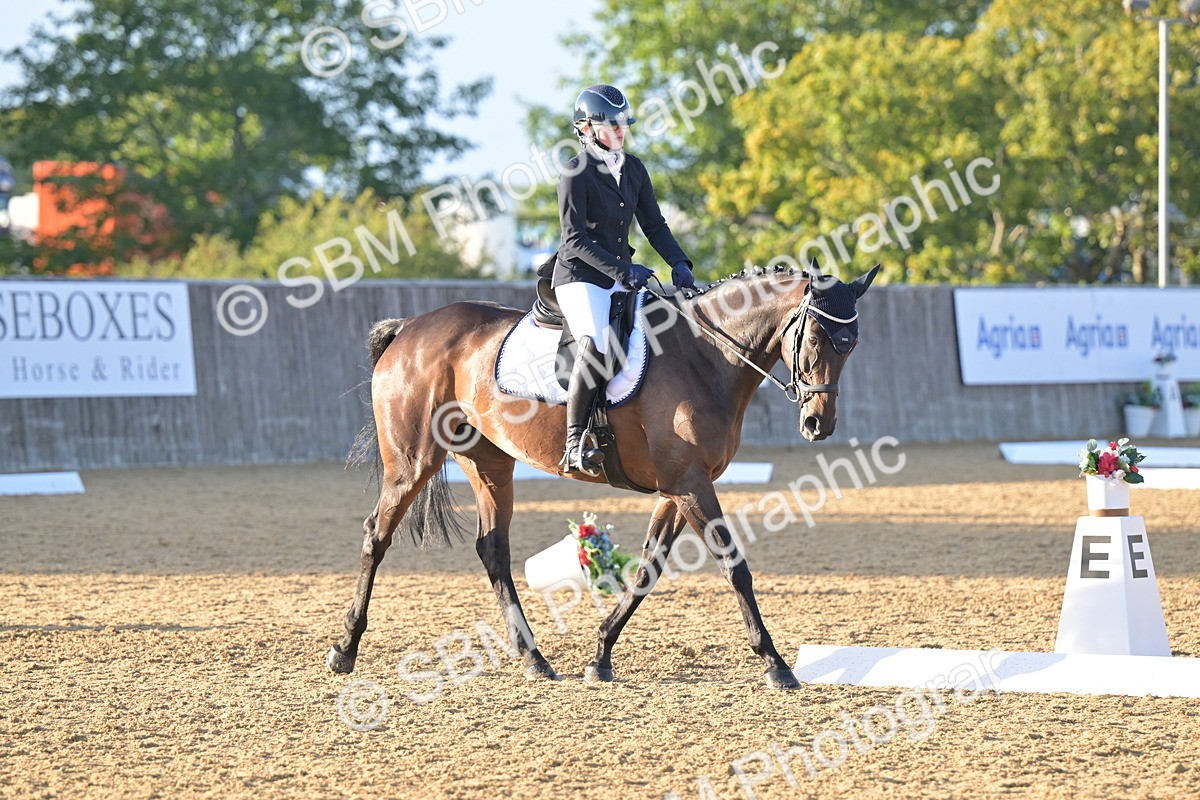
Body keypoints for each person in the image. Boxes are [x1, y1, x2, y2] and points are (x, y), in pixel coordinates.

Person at [545, 84, 696, 476]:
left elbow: (654, 225)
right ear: (586, 128)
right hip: (581, 276)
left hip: (618, 275)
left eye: (623, 124)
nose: (620, 132)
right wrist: (624, 271)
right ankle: (574, 440)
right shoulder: (574, 172)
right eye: (610, 126)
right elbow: (573, 239)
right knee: (597, 343)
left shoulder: (634, 169)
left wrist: (679, 262)